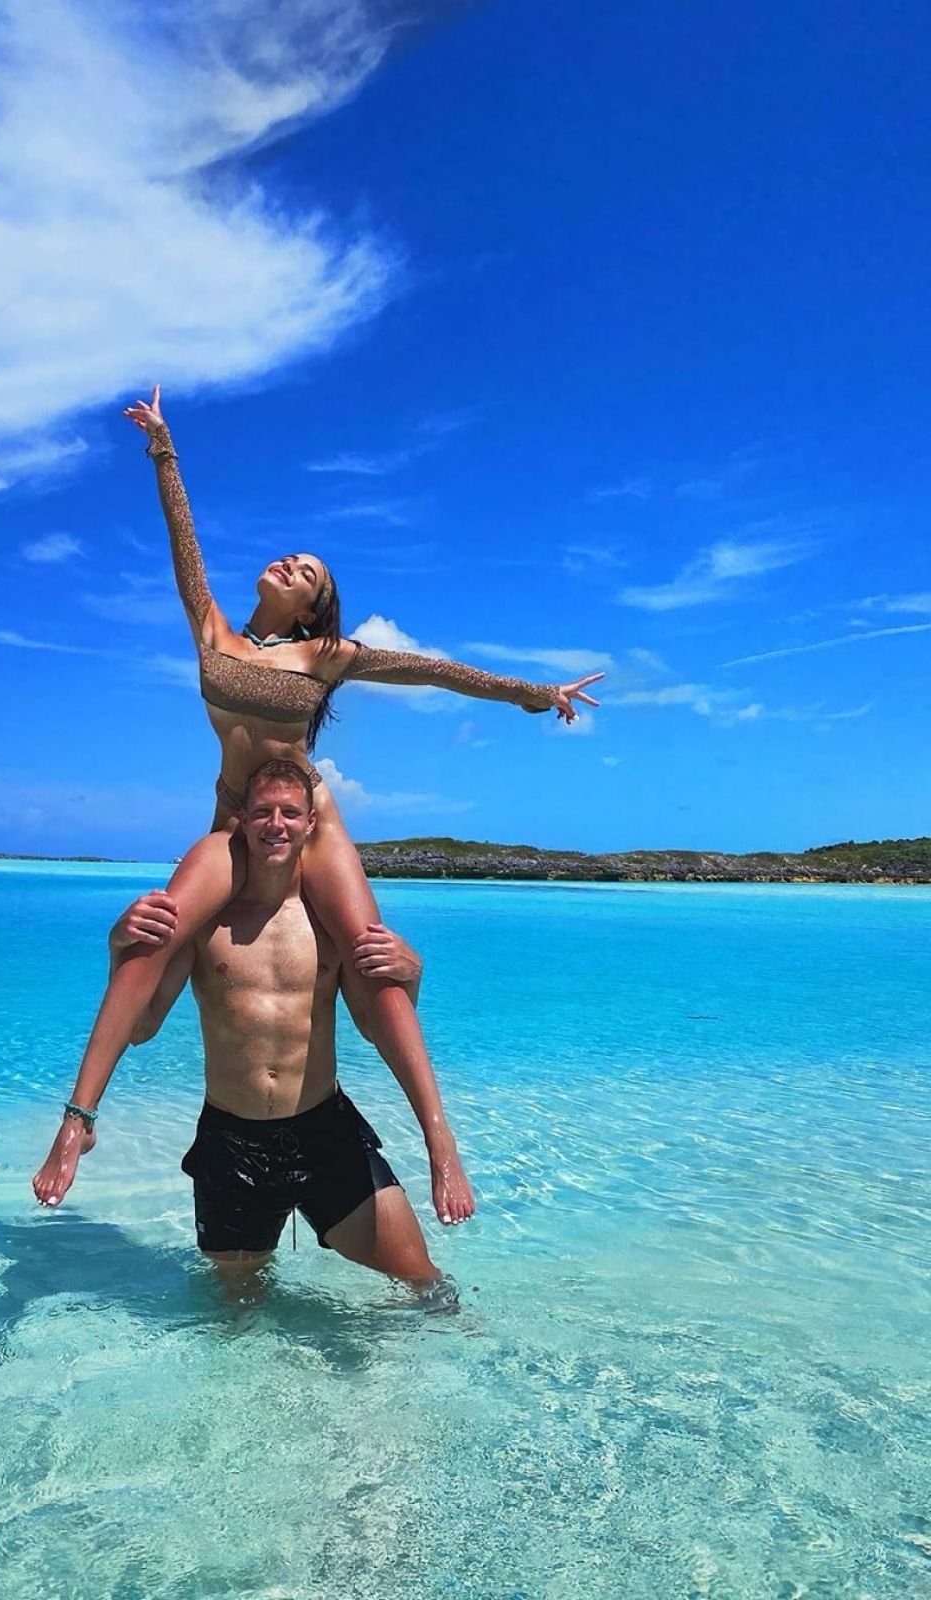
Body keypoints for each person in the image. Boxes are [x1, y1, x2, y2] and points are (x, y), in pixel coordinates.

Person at [42, 387, 601, 1202]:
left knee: (373, 959)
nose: (289, 565)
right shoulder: (213, 630)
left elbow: (437, 672)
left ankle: (439, 1140)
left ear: (313, 607)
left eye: (306, 572)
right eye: (289, 558)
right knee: (152, 935)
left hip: (309, 816)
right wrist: (162, 447)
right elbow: (182, 544)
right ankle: (79, 1117)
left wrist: (534, 694)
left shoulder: (326, 655)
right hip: (235, 818)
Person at [34, 760, 467, 1287]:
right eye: (263, 812)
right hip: (231, 1142)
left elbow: (372, 1026)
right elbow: (142, 1027)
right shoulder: (205, 924)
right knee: (238, 1311)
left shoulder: (329, 924)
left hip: (323, 1131)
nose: (276, 824)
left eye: (290, 813)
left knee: (425, 1283)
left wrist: (412, 976)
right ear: (242, 819)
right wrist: (116, 950)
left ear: (311, 823)